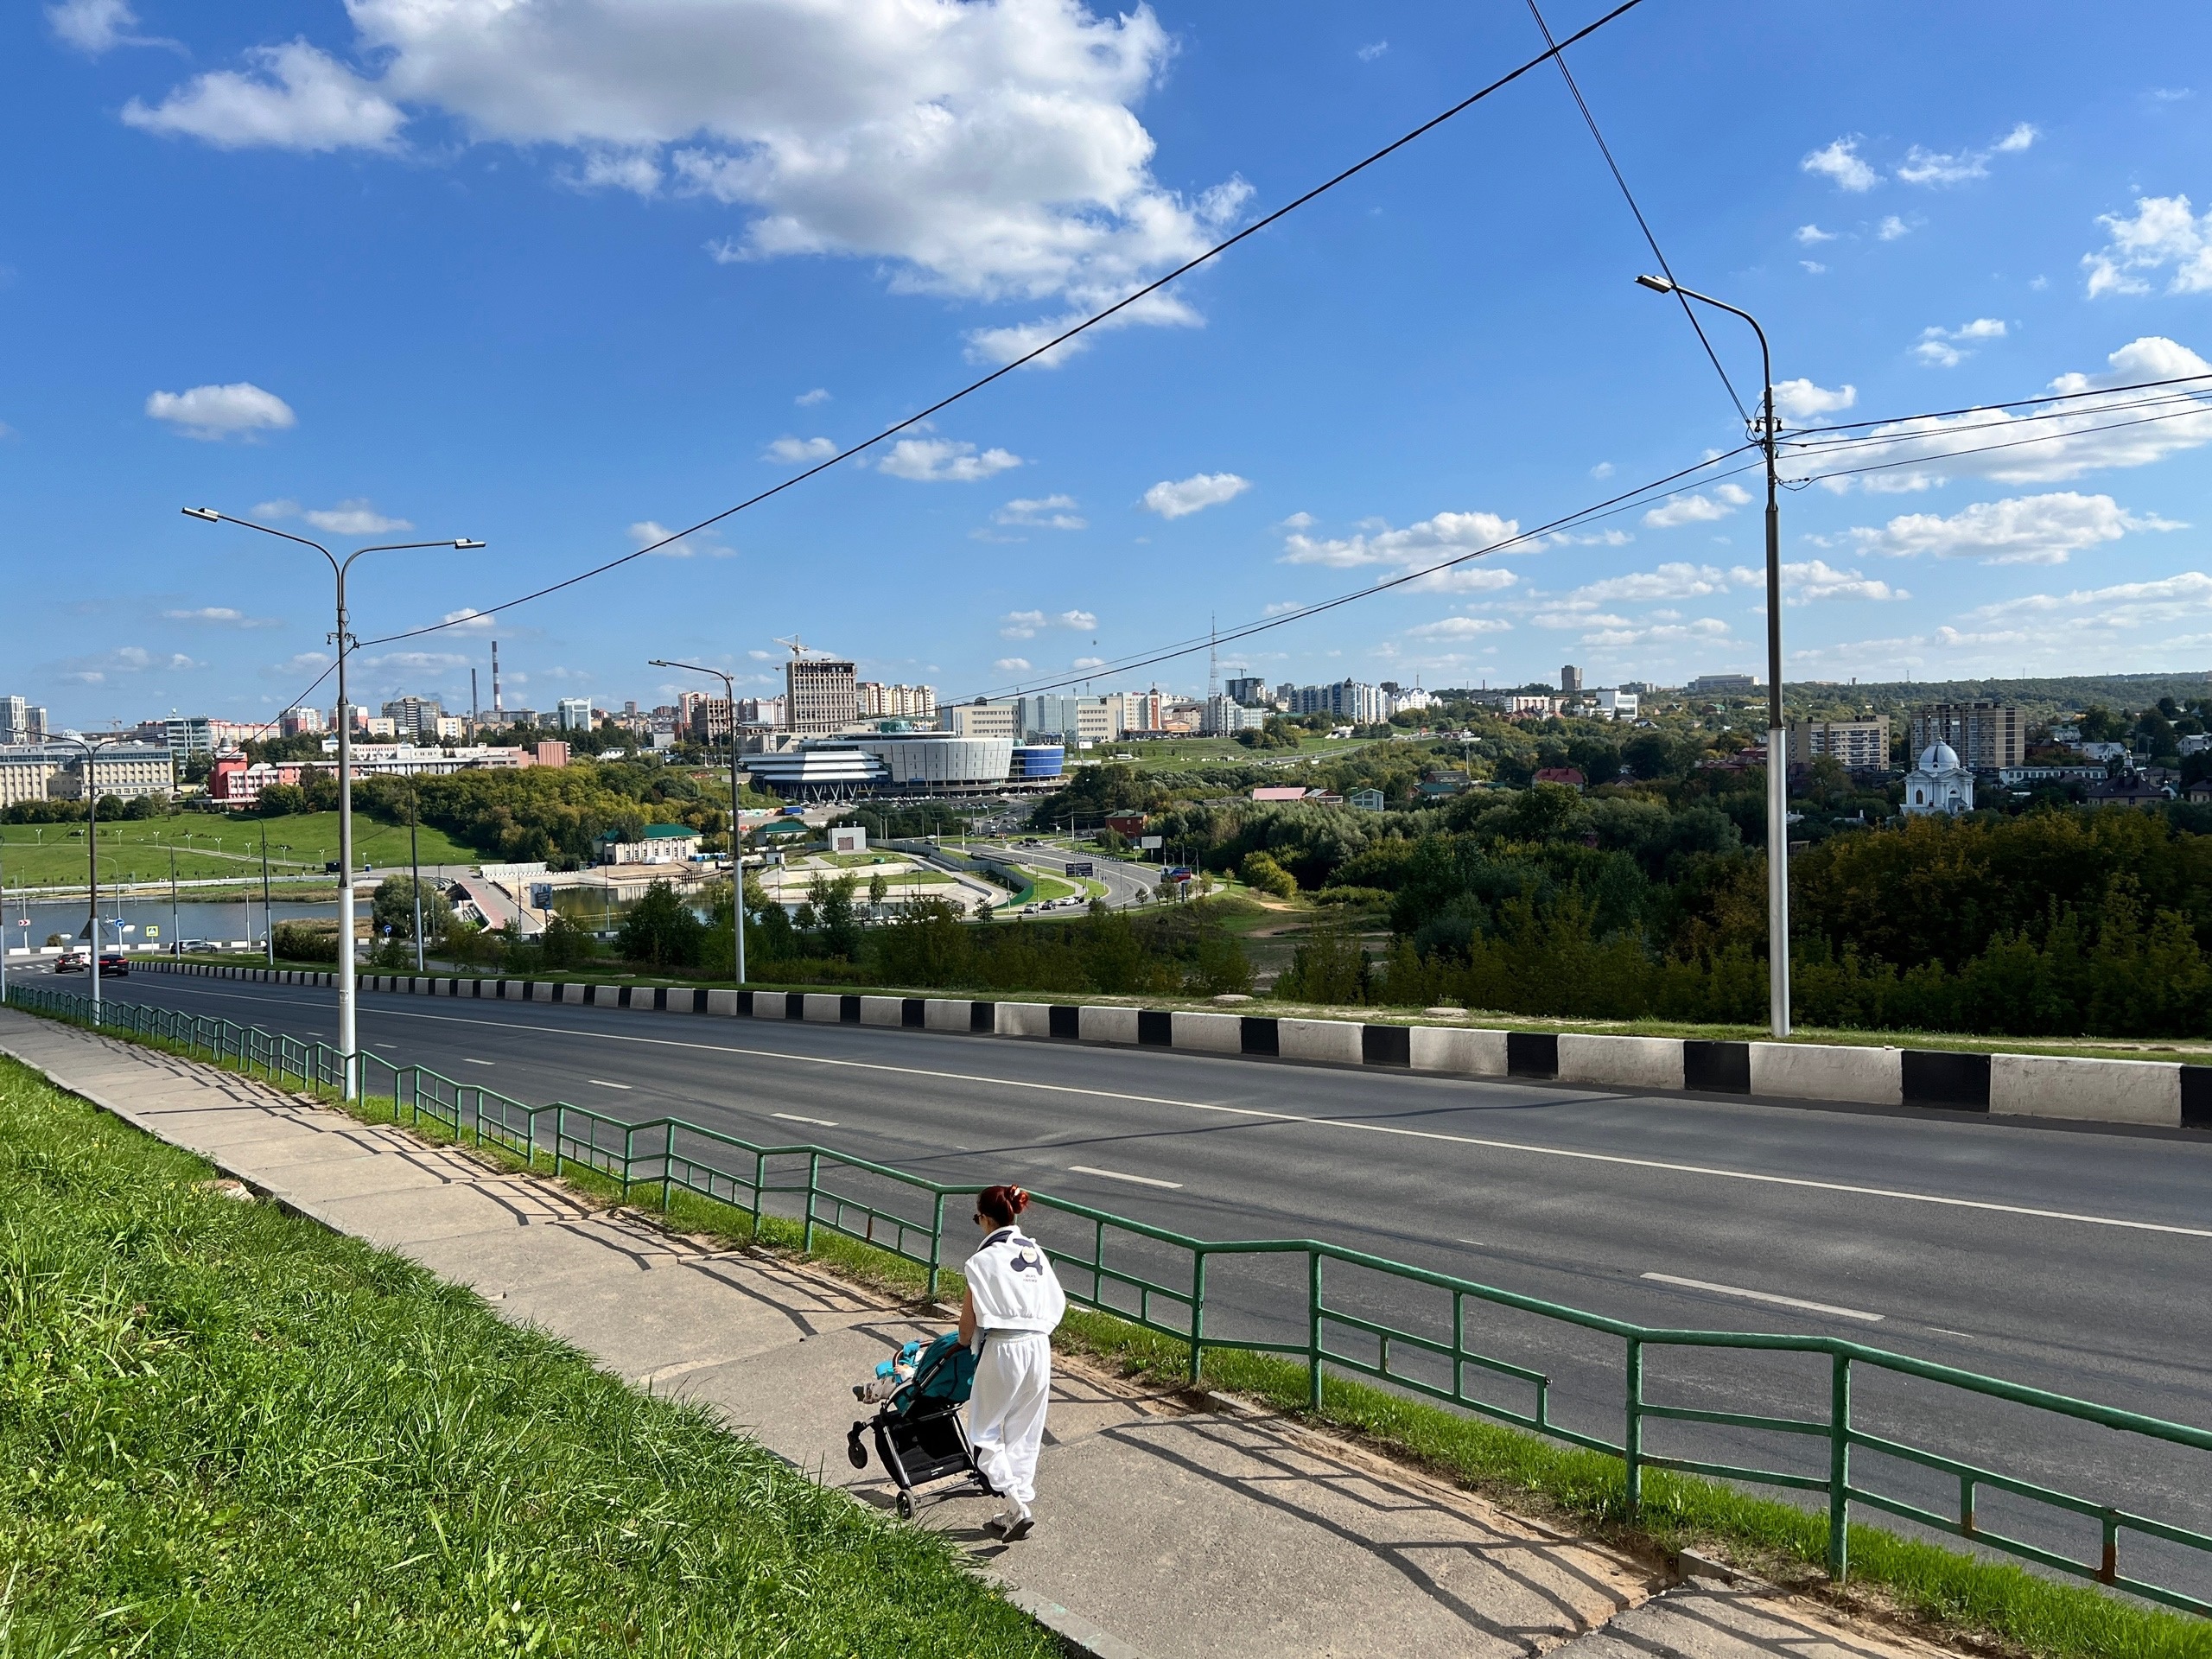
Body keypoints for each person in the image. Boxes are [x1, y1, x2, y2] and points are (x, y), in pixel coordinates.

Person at [958, 1184, 1066, 1541]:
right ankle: (1017, 1505)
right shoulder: (1034, 1251)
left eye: (978, 1219)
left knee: (985, 1432)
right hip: (1040, 1347)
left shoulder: (982, 1262)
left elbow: (965, 1327)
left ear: (987, 1219)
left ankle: (1015, 1501)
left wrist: (964, 1344)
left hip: (1005, 1348)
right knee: (1024, 1431)